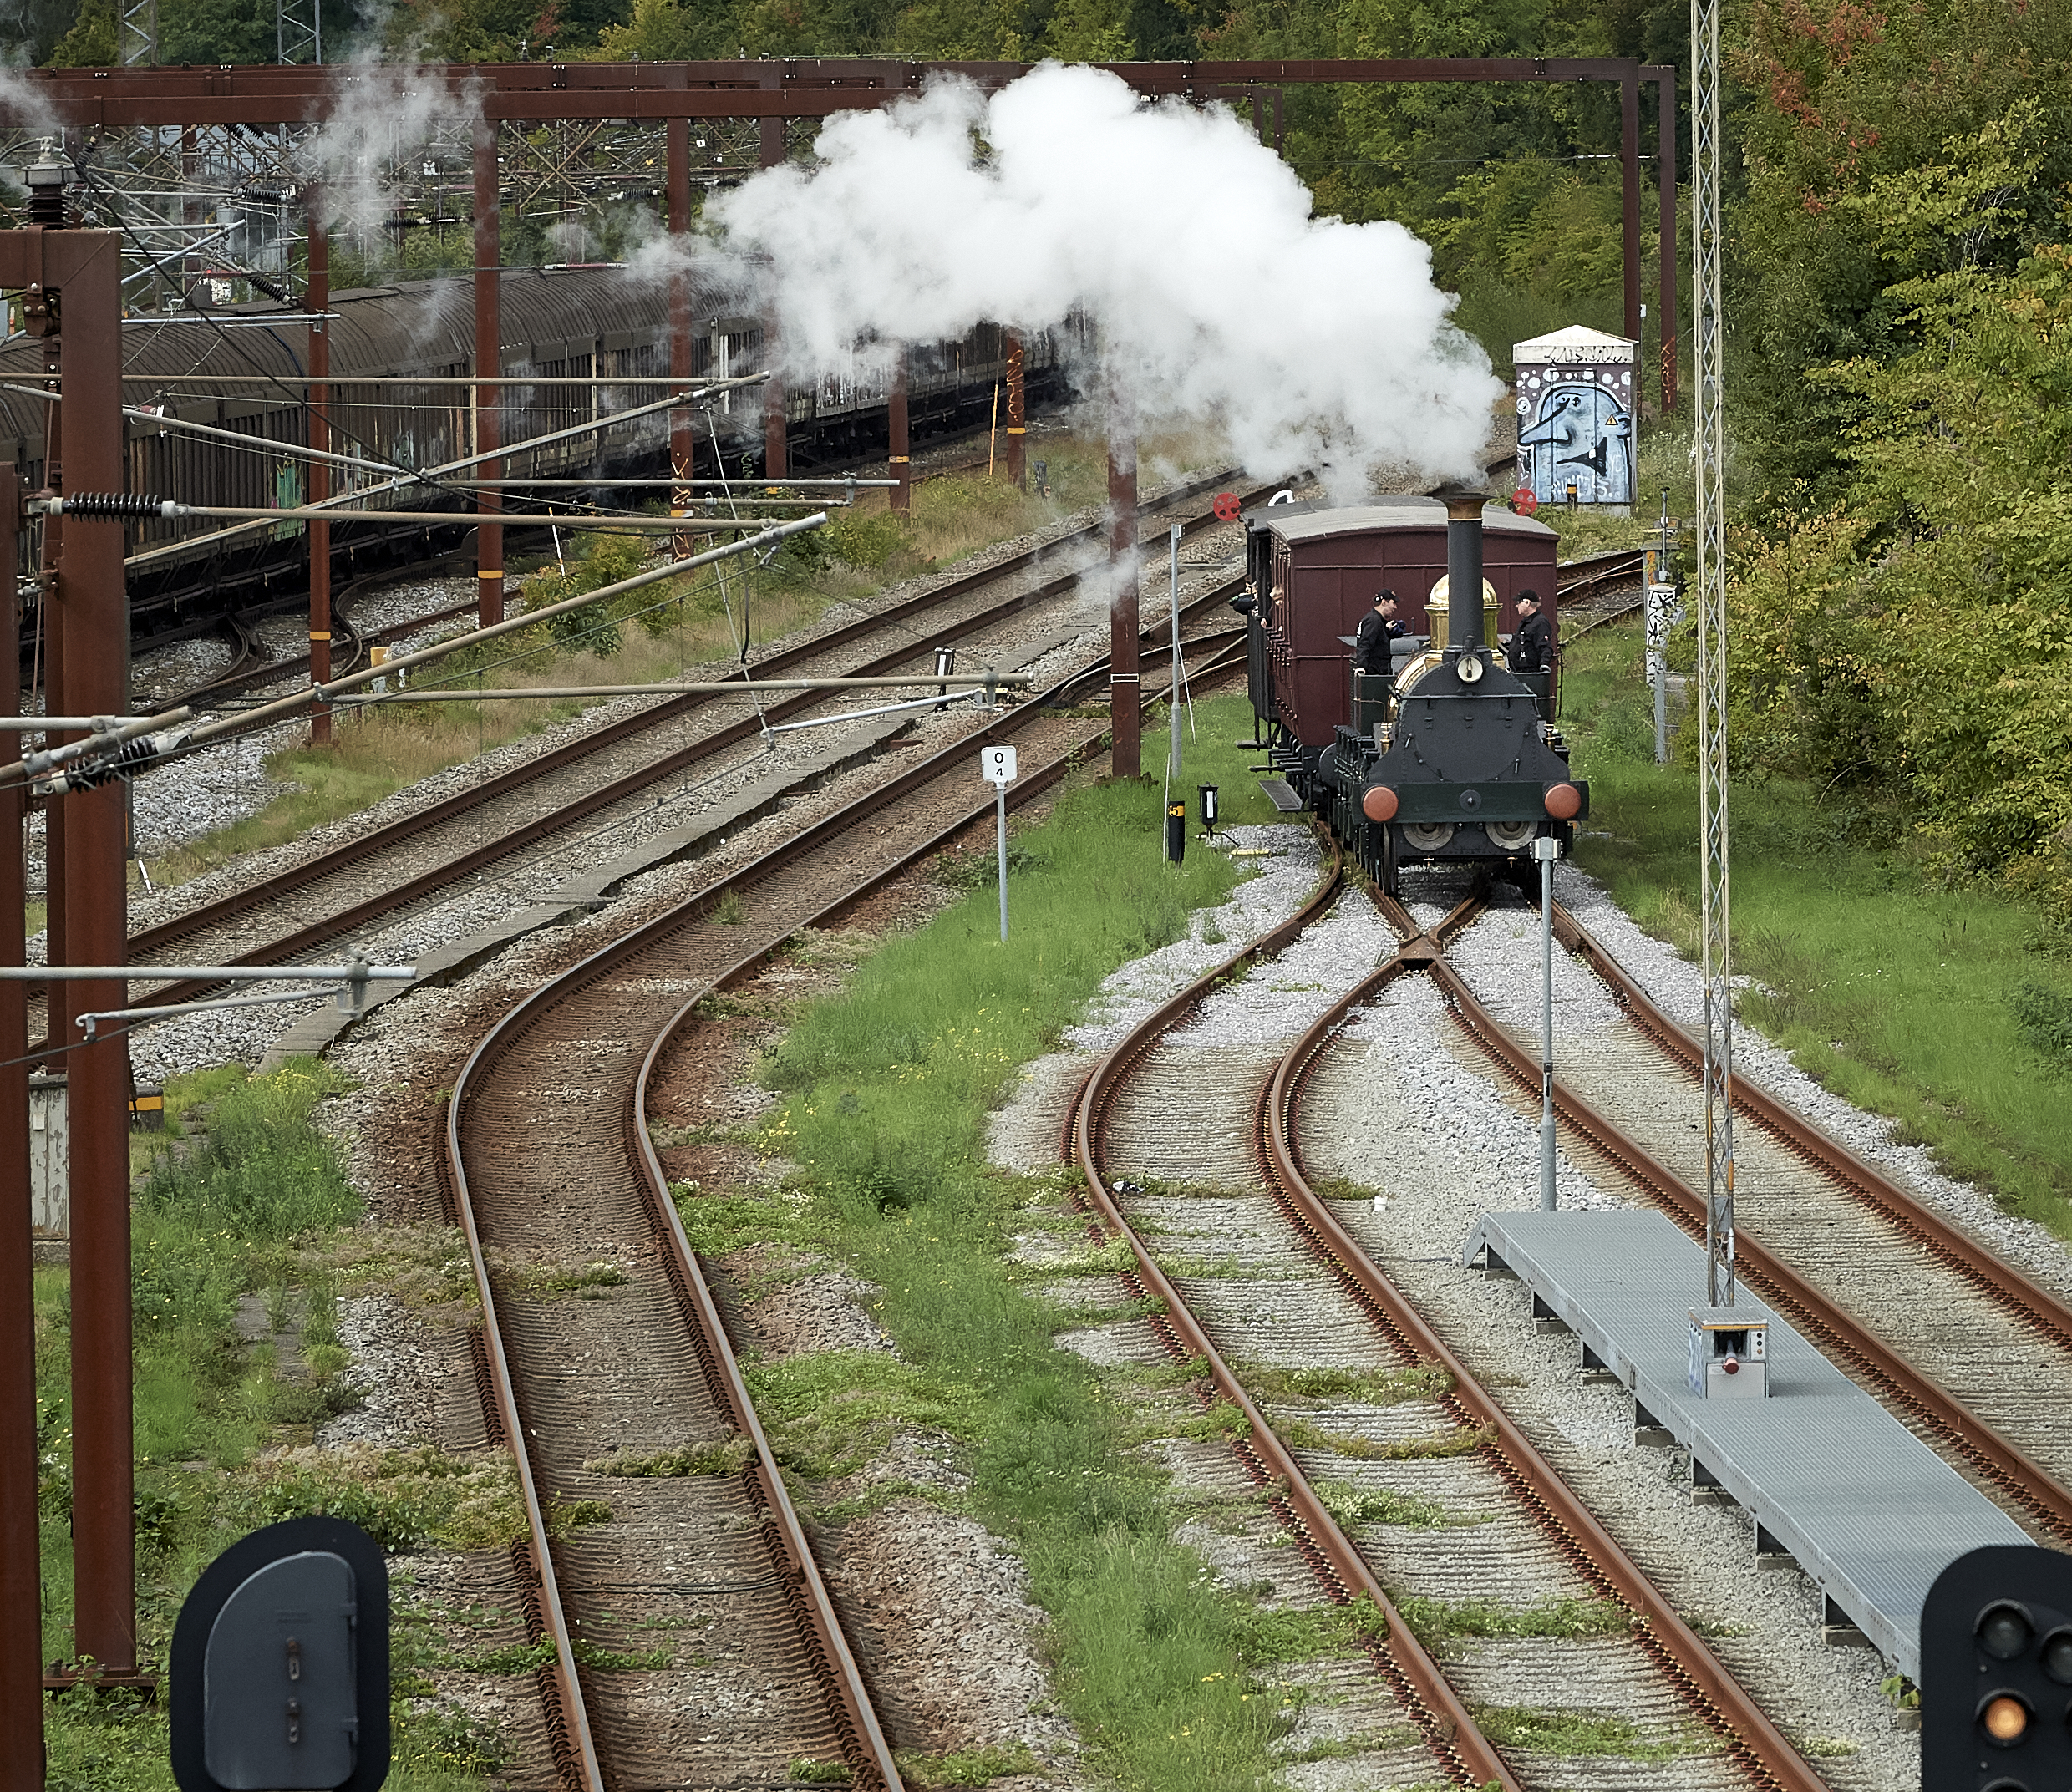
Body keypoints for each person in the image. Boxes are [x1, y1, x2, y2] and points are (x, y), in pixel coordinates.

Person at [1353, 588, 1405, 677]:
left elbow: (1374, 639)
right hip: (1374, 673)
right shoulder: (1374, 620)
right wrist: (1361, 666)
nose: (1395, 607)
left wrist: (1386, 630)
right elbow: (1365, 643)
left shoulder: (1375, 619)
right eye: (1393, 603)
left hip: (1376, 671)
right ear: (1384, 602)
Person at [1508, 589, 1555, 674]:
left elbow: (1545, 646)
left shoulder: (1540, 622)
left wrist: (1544, 665)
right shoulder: (1525, 622)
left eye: (1518, 602)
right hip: (1519, 672)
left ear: (1527, 602)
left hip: (1531, 672)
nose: (1516, 606)